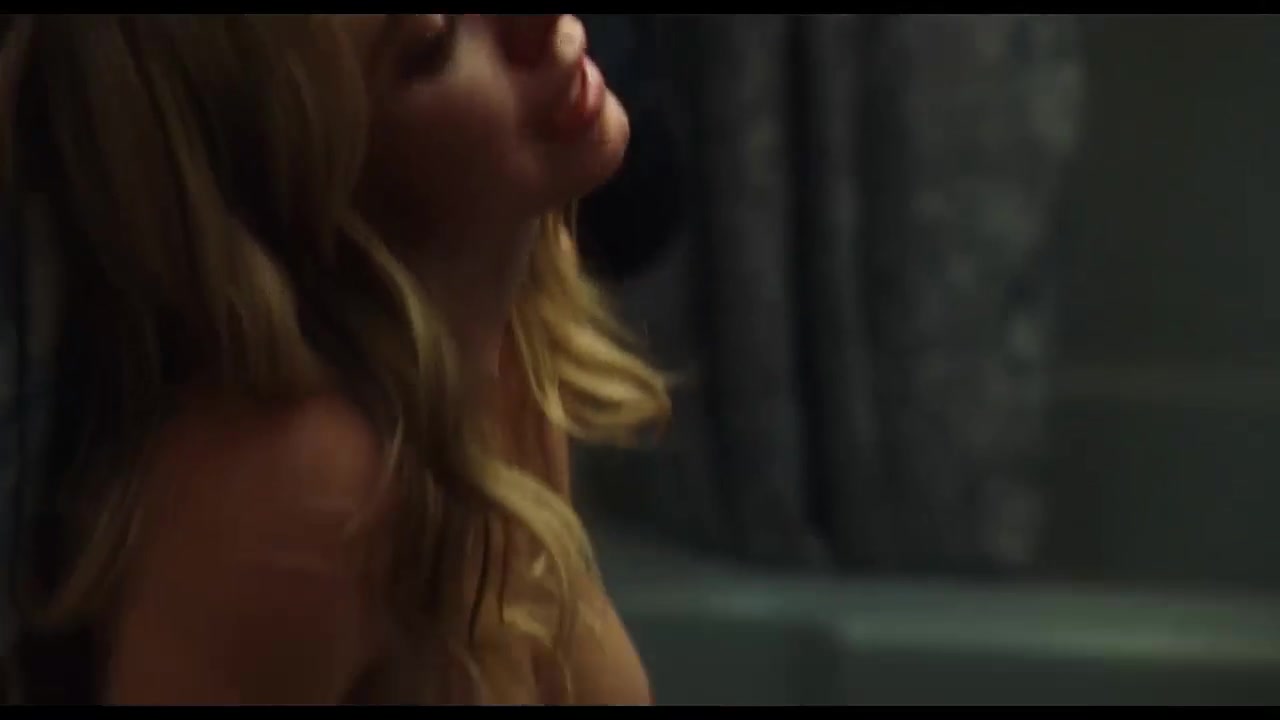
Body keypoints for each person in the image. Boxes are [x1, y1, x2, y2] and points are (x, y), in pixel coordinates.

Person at [0, 14, 669, 705]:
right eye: (434, 46)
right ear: (309, 185)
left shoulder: (508, 331)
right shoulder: (299, 485)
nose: (533, 25)